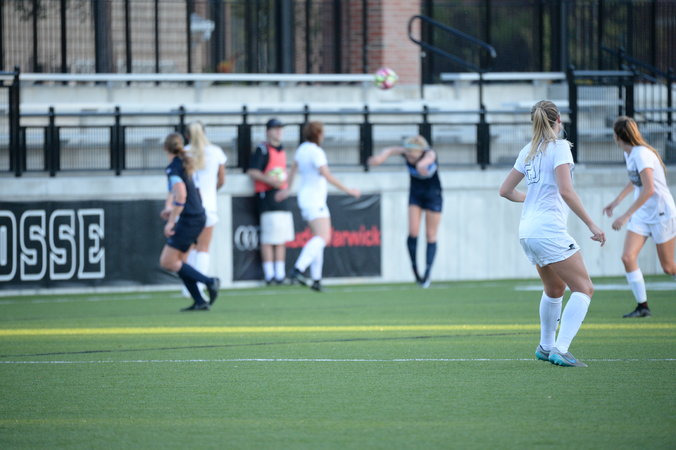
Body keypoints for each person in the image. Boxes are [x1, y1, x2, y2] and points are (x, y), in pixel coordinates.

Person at [499, 100, 606, 367]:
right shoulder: (560, 148)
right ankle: (561, 348)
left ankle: (546, 347)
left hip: (528, 232)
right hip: (548, 230)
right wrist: (592, 224)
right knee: (584, 288)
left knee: (555, 288)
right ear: (558, 120)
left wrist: (532, 199)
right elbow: (566, 191)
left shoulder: (528, 150)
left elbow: (505, 191)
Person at [602, 116, 676, 318]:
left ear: (618, 136)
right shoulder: (630, 153)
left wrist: (625, 216)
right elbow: (636, 181)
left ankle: (643, 306)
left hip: (661, 214)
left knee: (669, 267)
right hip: (643, 215)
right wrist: (616, 202)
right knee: (627, 257)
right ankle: (643, 307)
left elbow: (649, 189)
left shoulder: (642, 154)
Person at [277, 121, 360, 292]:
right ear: (318, 134)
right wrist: (349, 190)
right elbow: (326, 175)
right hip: (315, 200)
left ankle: (316, 279)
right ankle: (298, 269)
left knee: (318, 238)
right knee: (324, 237)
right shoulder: (316, 152)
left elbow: (292, 170)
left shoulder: (301, 149)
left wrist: (288, 189)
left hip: (306, 198)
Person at [368, 135, 442, 287]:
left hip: (433, 195)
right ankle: (415, 269)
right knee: (413, 232)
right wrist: (380, 158)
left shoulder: (428, 154)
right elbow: (390, 150)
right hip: (415, 195)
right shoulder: (407, 152)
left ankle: (427, 273)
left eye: (412, 153)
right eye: (407, 153)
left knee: (430, 234)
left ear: (420, 151)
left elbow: (428, 160)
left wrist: (421, 165)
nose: (409, 156)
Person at [159, 132, 220, 311]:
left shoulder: (174, 167)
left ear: (165, 148)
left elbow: (181, 195)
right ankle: (199, 301)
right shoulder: (185, 163)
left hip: (190, 218)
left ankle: (209, 281)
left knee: (168, 262)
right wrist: (172, 210)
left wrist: (171, 221)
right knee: (179, 261)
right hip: (197, 216)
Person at [246, 118, 295, 285]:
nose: (279, 131)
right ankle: (269, 274)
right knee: (269, 237)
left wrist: (285, 188)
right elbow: (253, 171)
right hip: (267, 196)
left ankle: (280, 274)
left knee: (281, 237)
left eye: (280, 128)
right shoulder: (262, 149)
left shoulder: (282, 150)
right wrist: (271, 181)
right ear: (268, 131)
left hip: (281, 196)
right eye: (275, 128)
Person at [182, 121, 227, 298]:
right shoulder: (216, 152)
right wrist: (211, 192)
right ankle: (199, 287)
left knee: (189, 247)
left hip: (189, 206)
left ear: (187, 135)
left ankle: (188, 288)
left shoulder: (184, 152)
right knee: (203, 248)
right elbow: (221, 180)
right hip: (209, 206)